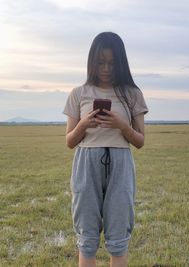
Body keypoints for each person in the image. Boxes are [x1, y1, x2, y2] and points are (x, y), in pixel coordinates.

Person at [63, 32, 148, 267]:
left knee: (119, 236)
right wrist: (83, 124)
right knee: (87, 238)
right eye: (101, 62)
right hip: (86, 164)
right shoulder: (79, 93)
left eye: (112, 63)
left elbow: (140, 141)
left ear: (120, 62)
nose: (106, 68)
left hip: (121, 164)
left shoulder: (132, 93)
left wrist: (121, 125)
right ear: (92, 62)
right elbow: (70, 141)